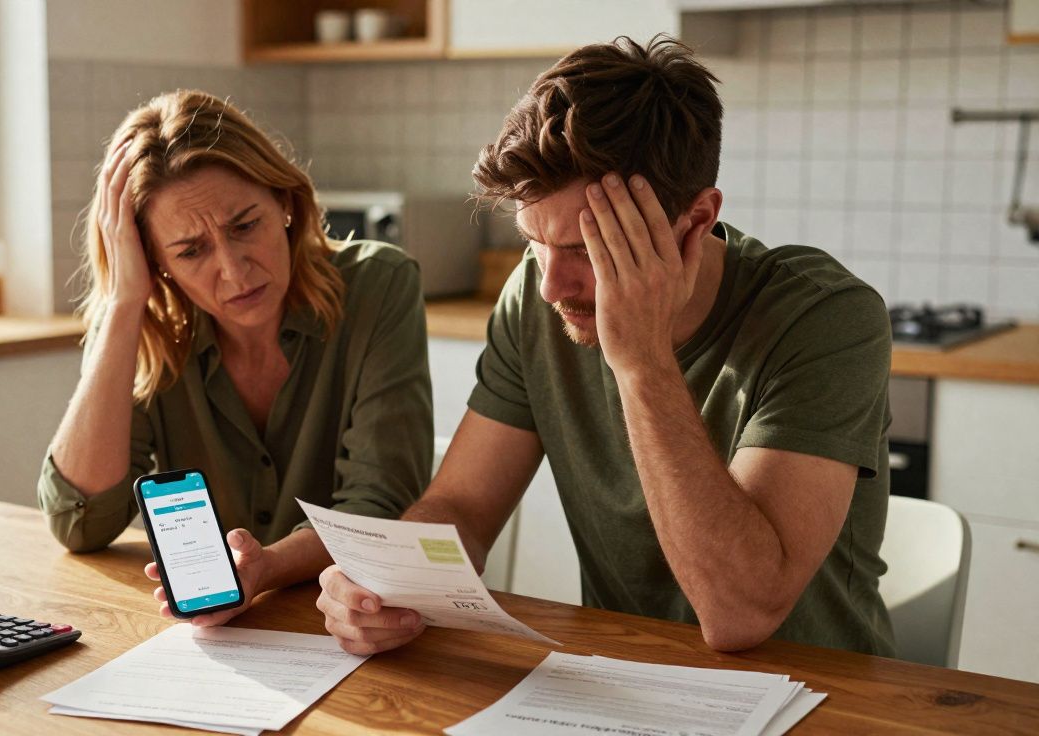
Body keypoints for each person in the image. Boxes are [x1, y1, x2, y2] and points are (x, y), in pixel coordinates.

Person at [317, 36, 895, 656]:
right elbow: (462, 505)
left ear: (697, 221)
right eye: (534, 244)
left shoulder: (826, 318)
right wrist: (385, 583)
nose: (550, 286)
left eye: (587, 251)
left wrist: (643, 361)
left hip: (817, 692)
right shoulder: (535, 300)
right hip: (621, 680)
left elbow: (740, 615)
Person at [38, 90, 433, 627]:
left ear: (285, 205)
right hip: (218, 642)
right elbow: (78, 522)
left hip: (346, 624)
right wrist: (124, 302)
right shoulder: (154, 332)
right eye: (190, 250)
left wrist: (266, 567)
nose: (235, 271)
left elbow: (376, 508)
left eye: (245, 226)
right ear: (155, 262)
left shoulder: (379, 286)